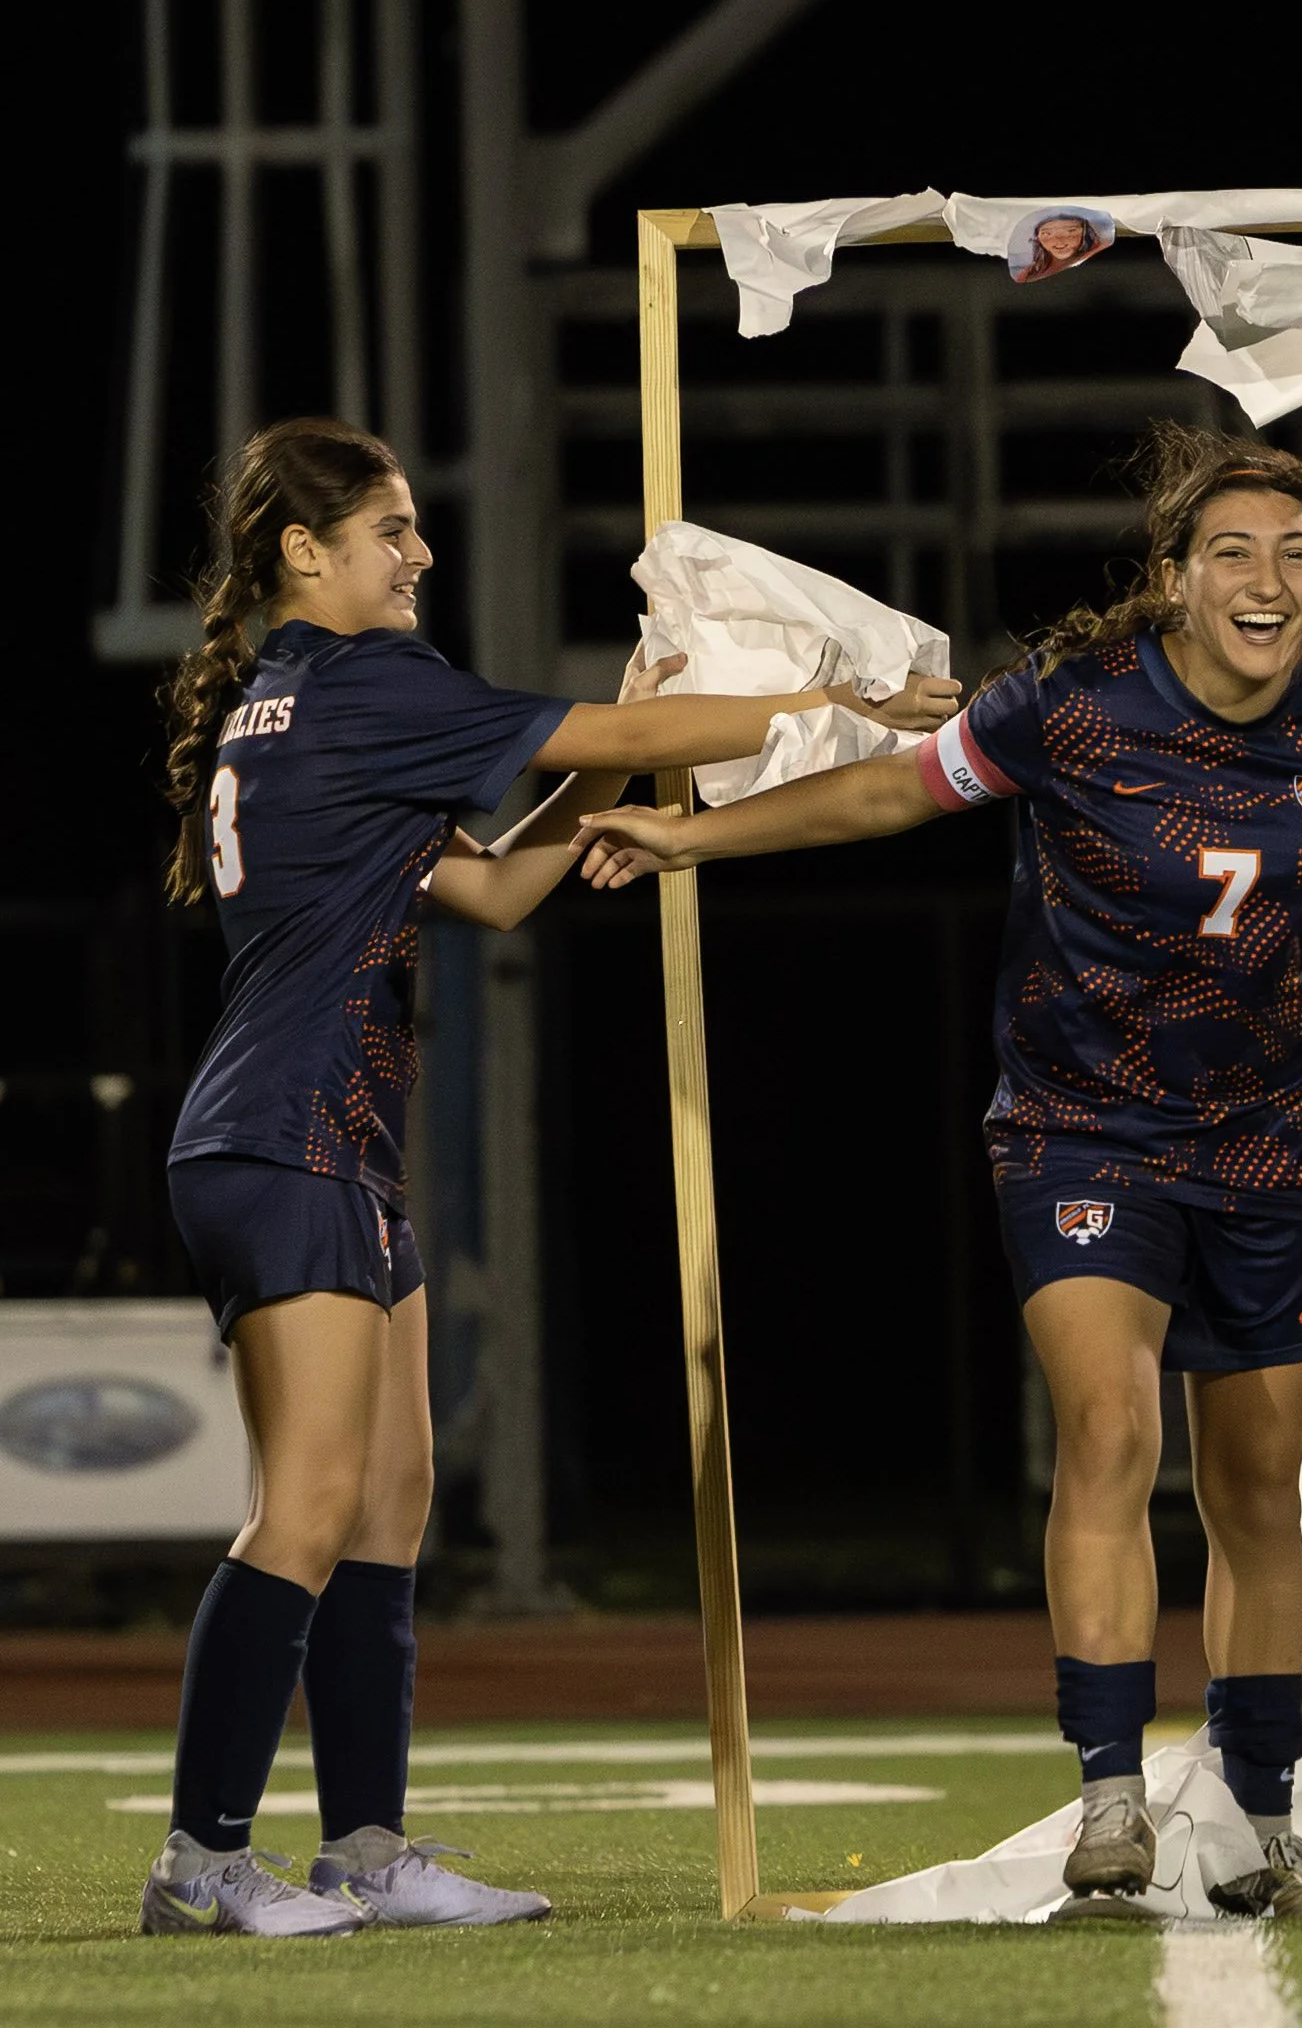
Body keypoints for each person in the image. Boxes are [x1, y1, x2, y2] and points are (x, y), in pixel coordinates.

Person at [574, 423, 1302, 1919]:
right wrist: (701, 846)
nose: (1269, 582)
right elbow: (888, 795)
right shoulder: (1068, 708)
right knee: (1109, 1432)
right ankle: (1112, 1796)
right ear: (1177, 580)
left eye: (1297, 555)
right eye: (1236, 555)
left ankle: (1258, 1818)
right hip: (1081, 1130)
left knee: (1257, 1492)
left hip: (1268, 1148)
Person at [144, 416, 957, 1939]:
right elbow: (613, 739)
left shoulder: (299, 700)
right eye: (391, 531)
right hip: (286, 1133)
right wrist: (828, 700)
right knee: (309, 1505)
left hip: (321, 1141)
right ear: (303, 556)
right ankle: (200, 1859)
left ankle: (368, 1850)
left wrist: (601, 787)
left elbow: (501, 891)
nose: (420, 554)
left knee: (389, 1503)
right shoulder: (364, 678)